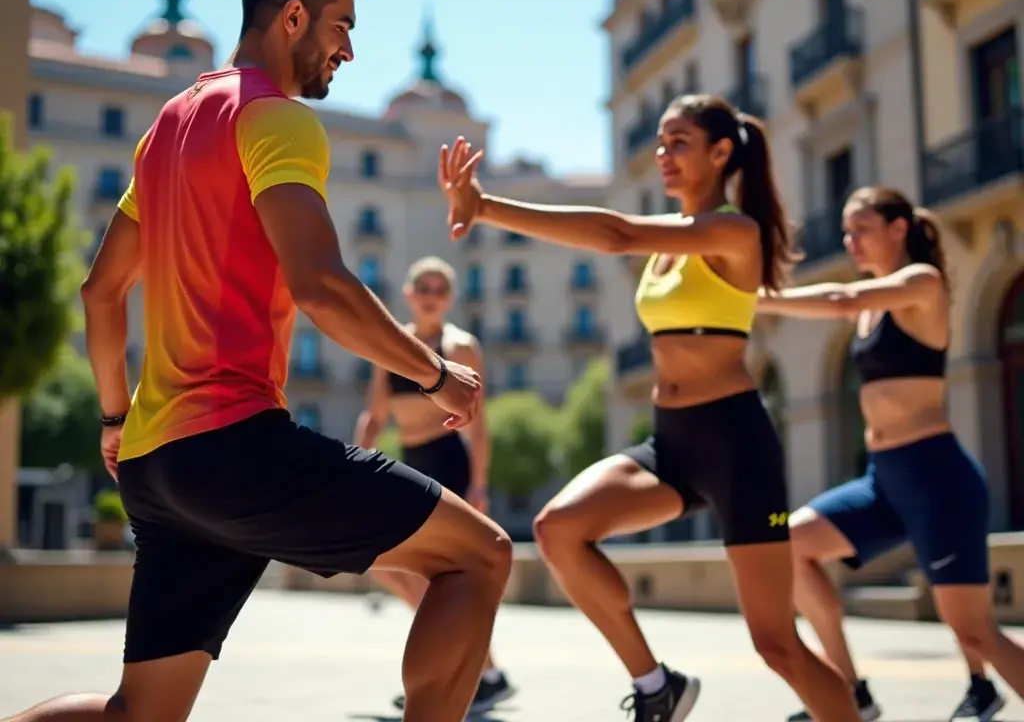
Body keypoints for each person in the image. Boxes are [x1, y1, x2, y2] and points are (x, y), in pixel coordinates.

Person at [4, 0, 512, 722]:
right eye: (341, 26)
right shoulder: (278, 121)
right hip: (235, 447)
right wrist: (435, 373)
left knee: (138, 712)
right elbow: (321, 286)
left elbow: (101, 293)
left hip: (155, 467)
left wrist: (115, 419)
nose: (348, 48)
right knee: (480, 554)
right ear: (294, 16)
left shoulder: (166, 129)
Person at [436, 97, 863, 722]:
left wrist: (488, 206)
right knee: (559, 530)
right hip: (671, 441)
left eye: (680, 142)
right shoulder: (672, 244)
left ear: (721, 153)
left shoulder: (732, 231)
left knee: (776, 645)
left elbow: (618, 234)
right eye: (660, 143)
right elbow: (631, 237)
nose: (664, 155)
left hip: (736, 443)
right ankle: (656, 683)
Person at [758, 185, 1024, 722]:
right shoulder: (872, 303)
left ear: (898, 228)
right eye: (846, 232)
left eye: (861, 229)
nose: (849, 240)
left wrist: (756, 297)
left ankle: (983, 688)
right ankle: (850, 691)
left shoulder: (921, 284)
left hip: (936, 477)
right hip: (882, 482)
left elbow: (841, 299)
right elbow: (848, 304)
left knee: (973, 629)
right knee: (789, 541)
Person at [354, 254, 517, 714]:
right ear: (408, 294)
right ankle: (477, 671)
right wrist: (356, 466)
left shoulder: (462, 346)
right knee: (386, 565)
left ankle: (464, 674)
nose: (430, 296)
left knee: (453, 577)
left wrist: (480, 486)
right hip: (411, 462)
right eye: (422, 287)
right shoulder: (393, 343)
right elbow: (375, 415)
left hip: (450, 464)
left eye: (439, 289)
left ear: (449, 298)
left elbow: (479, 428)